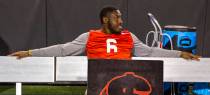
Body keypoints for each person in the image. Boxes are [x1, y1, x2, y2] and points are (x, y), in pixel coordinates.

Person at [10, 7, 200, 60]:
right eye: (117, 18)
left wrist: (179, 53)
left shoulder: (129, 37)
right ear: (106, 20)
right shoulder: (89, 36)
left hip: (125, 82)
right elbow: (62, 50)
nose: (121, 21)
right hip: (98, 83)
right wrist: (29, 53)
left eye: (121, 18)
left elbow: (149, 52)